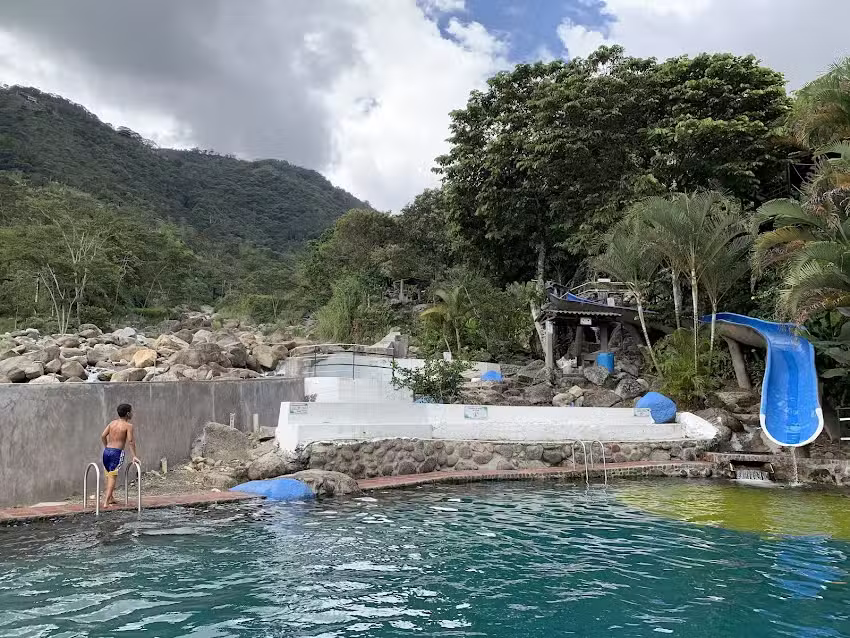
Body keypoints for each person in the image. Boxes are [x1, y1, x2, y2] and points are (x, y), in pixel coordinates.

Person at [100, 403, 140, 508]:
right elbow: (131, 441)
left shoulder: (112, 423)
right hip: (116, 453)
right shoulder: (128, 426)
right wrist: (134, 456)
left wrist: (106, 446)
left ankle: (111, 498)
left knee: (108, 474)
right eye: (131, 412)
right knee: (113, 476)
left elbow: (103, 435)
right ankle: (106, 502)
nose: (133, 414)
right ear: (128, 414)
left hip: (107, 451)